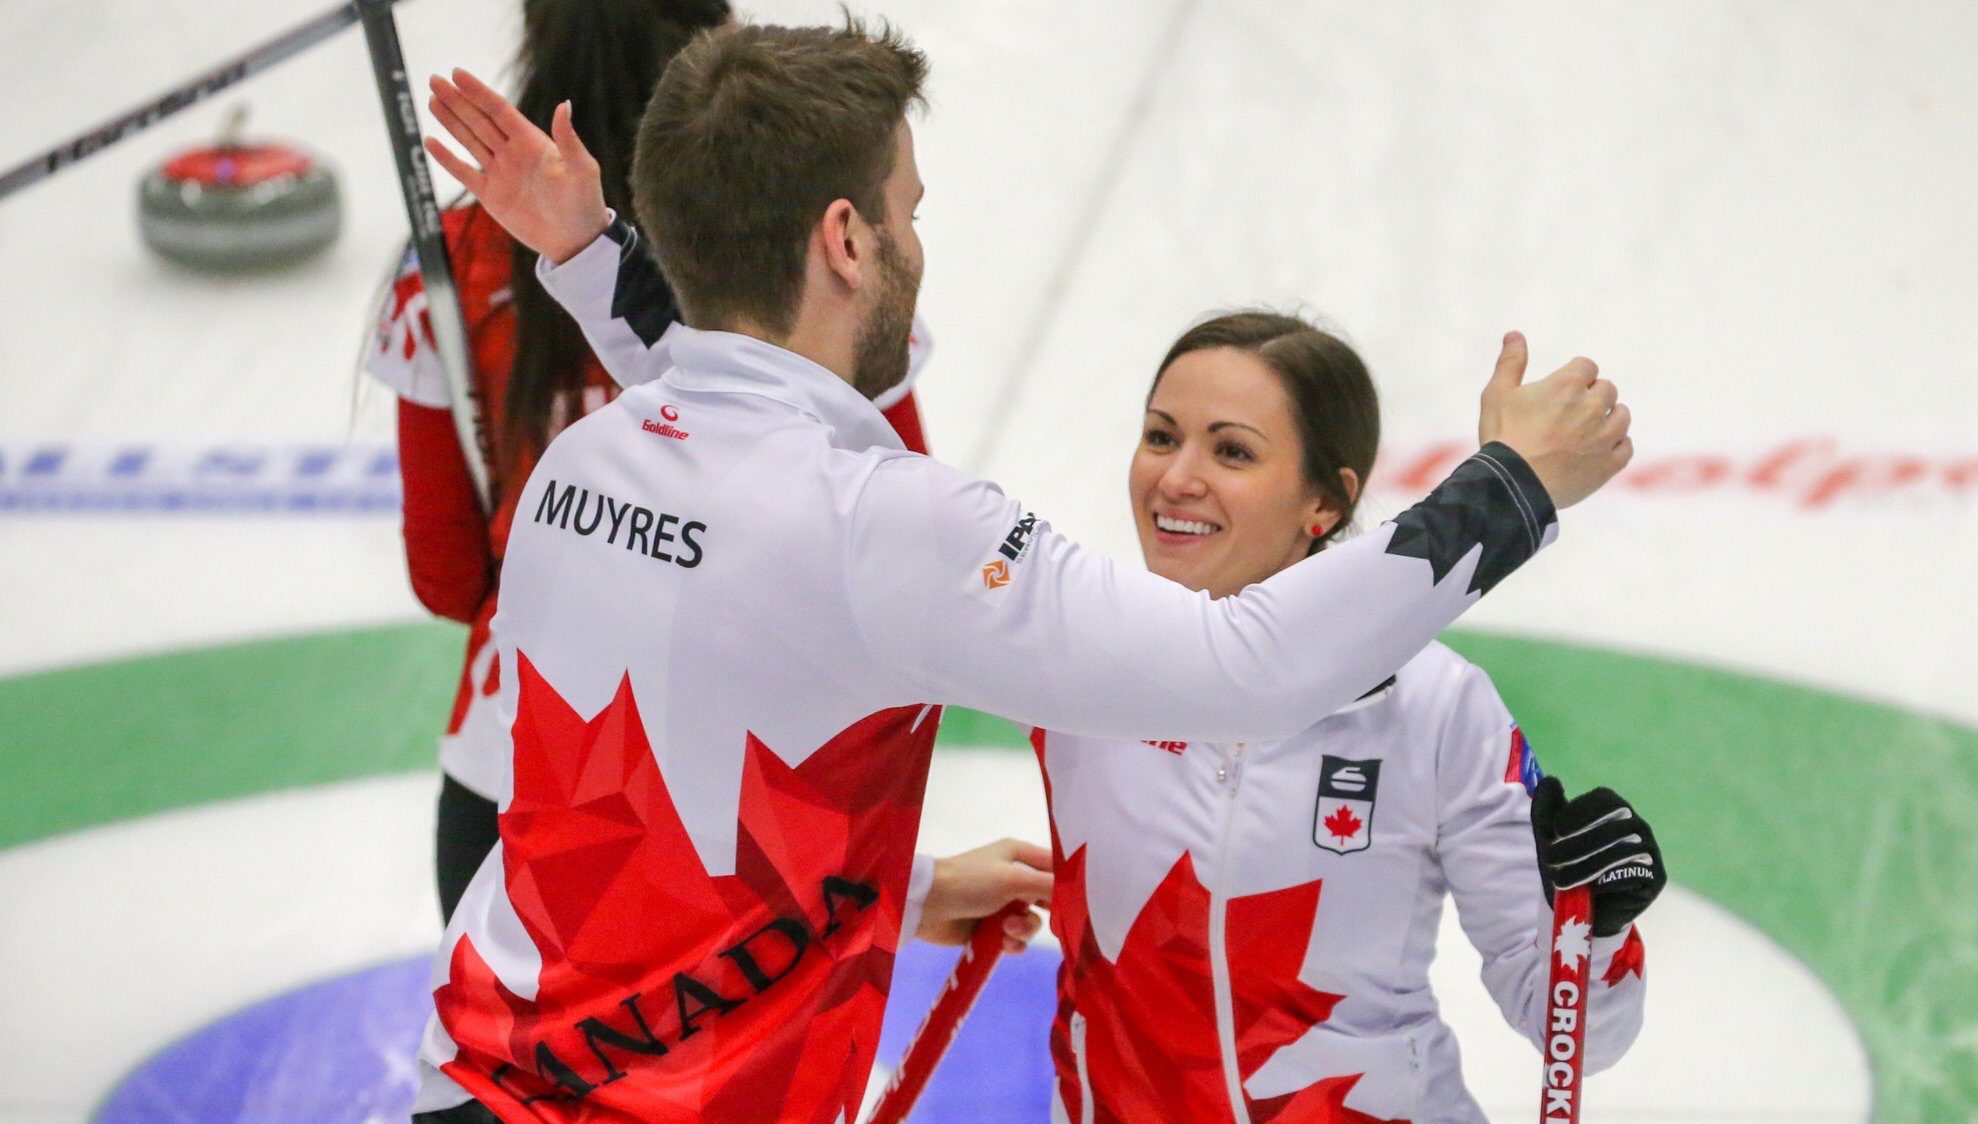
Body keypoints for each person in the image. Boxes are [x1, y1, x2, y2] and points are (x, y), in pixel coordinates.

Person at [409, 18, 1632, 1122]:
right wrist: (1512, 487)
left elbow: (723, 451)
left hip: (469, 1080)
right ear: (845, 239)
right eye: (907, 212)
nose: (914, 244)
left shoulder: (587, 465)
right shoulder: (881, 526)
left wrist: (586, 254)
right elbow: (1244, 666)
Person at [915, 312, 1663, 1122]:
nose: (1176, 478)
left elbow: (1581, 1037)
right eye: (1161, 437)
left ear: (1323, 502)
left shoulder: (1434, 703)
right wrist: (926, 885)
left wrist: (1592, 931)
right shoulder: (1078, 654)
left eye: (1230, 450)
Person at [365, 0, 930, 919]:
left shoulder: (459, 257)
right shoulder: (817, 258)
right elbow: (892, 525)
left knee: (491, 1064)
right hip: (751, 777)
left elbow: (444, 572)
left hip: (512, 766)